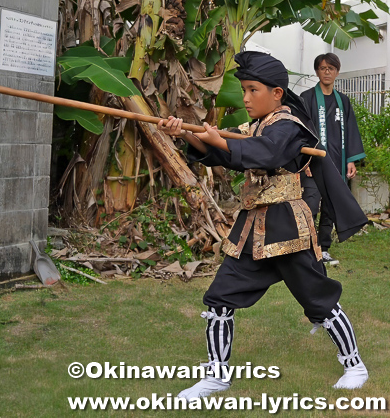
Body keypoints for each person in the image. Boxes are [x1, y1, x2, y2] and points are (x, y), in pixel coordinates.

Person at [158, 51, 369, 399]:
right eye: (243, 89)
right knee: (219, 298)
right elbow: (227, 154)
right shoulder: (256, 126)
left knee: (319, 300)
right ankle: (216, 376)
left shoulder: (288, 125)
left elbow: (266, 154)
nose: (244, 97)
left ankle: (355, 366)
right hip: (252, 227)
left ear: (276, 93)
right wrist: (186, 135)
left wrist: (218, 139)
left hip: (288, 228)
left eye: (252, 89)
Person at [300, 53, 366, 266]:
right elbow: (300, 131)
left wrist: (351, 160)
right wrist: (305, 161)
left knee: (330, 206)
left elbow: (352, 131)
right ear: (317, 71)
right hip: (313, 163)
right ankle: (307, 249)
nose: (327, 71)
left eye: (331, 68)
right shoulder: (306, 98)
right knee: (310, 204)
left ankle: (324, 248)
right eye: (322, 68)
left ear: (337, 72)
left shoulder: (343, 101)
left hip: (337, 162)